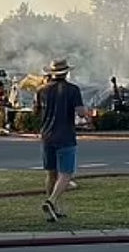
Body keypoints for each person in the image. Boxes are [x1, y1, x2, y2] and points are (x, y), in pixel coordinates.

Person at [34, 59, 89, 222]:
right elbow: (80, 113)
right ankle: (51, 201)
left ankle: (53, 210)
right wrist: (86, 112)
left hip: (47, 135)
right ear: (66, 73)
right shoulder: (73, 90)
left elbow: (35, 111)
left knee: (51, 173)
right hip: (65, 135)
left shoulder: (41, 90)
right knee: (66, 173)